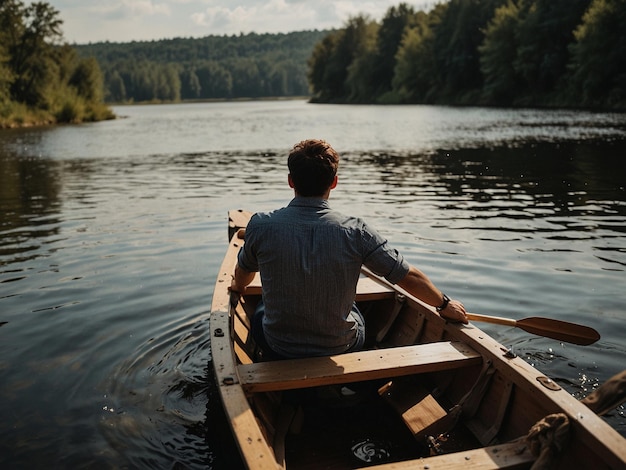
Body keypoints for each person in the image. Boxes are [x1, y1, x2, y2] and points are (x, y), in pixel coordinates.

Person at [230, 139, 468, 359]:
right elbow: (407, 276)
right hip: (341, 346)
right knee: (353, 307)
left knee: (260, 308)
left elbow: (243, 272)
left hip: (279, 346)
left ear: (291, 181)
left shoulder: (261, 225)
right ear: (334, 182)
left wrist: (239, 288)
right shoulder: (356, 231)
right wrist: (445, 305)